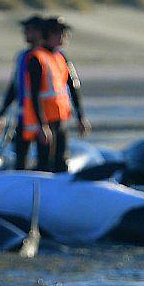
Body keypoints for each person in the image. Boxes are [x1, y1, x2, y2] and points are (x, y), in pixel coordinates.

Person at [0, 15, 45, 169]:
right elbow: (14, 87)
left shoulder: (44, 58)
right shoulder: (22, 57)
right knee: (20, 157)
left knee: (44, 161)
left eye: (29, 30)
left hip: (44, 117)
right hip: (24, 117)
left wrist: (42, 124)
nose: (25, 33)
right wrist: (2, 113)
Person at [38, 16, 90, 172]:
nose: (62, 37)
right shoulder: (37, 58)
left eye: (63, 33)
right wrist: (41, 125)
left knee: (61, 159)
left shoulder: (61, 57)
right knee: (44, 161)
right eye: (57, 33)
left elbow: (73, 88)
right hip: (44, 120)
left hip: (60, 117)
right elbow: (32, 94)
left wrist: (80, 117)